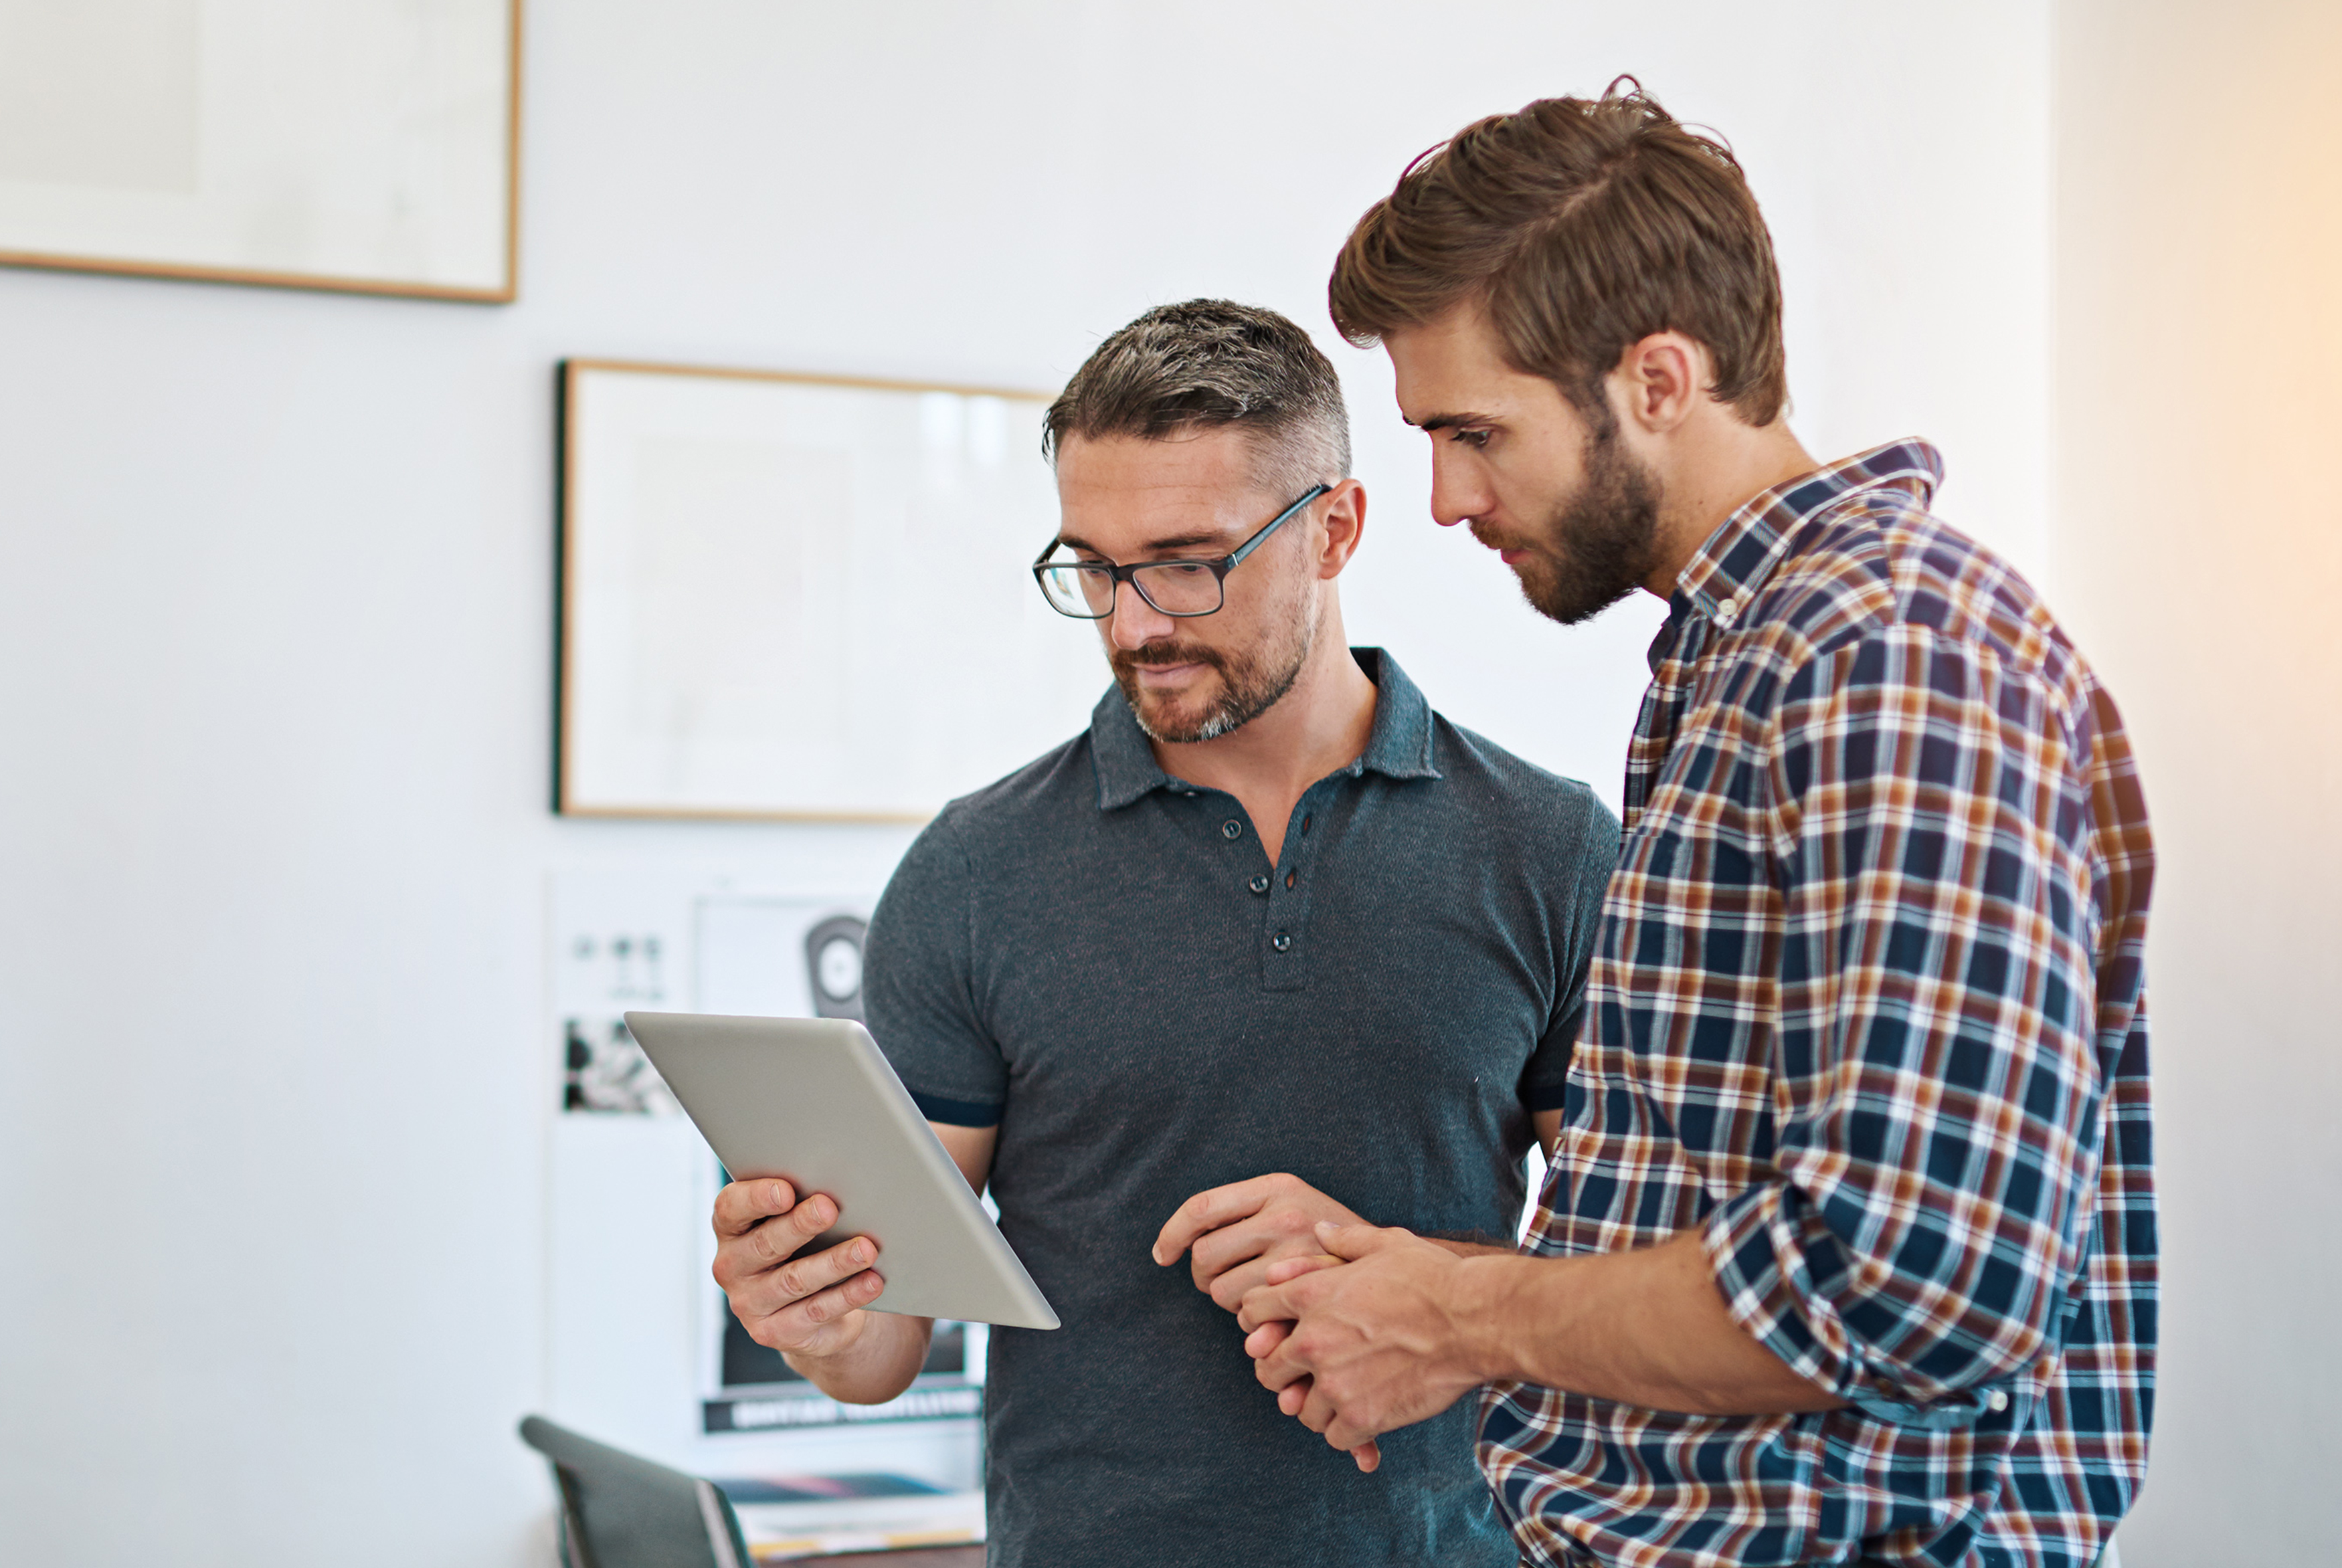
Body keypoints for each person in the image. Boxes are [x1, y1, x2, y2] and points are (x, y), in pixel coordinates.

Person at [1235, 85, 2156, 1568]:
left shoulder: (1886, 650)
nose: (1446, 497)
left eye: (1475, 430)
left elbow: (1913, 1278)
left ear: (1659, 378)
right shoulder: (1745, 656)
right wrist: (1421, 1285)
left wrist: (1449, 1309)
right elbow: (1744, 1228)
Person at [706, 299, 1620, 1567]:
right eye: (1092, 565)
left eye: (1188, 561)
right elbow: (885, 1344)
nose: (1132, 624)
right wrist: (812, 1316)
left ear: (1336, 530)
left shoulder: (1553, 850)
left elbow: (1637, 1287)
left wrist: (1421, 1280)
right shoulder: (975, 870)